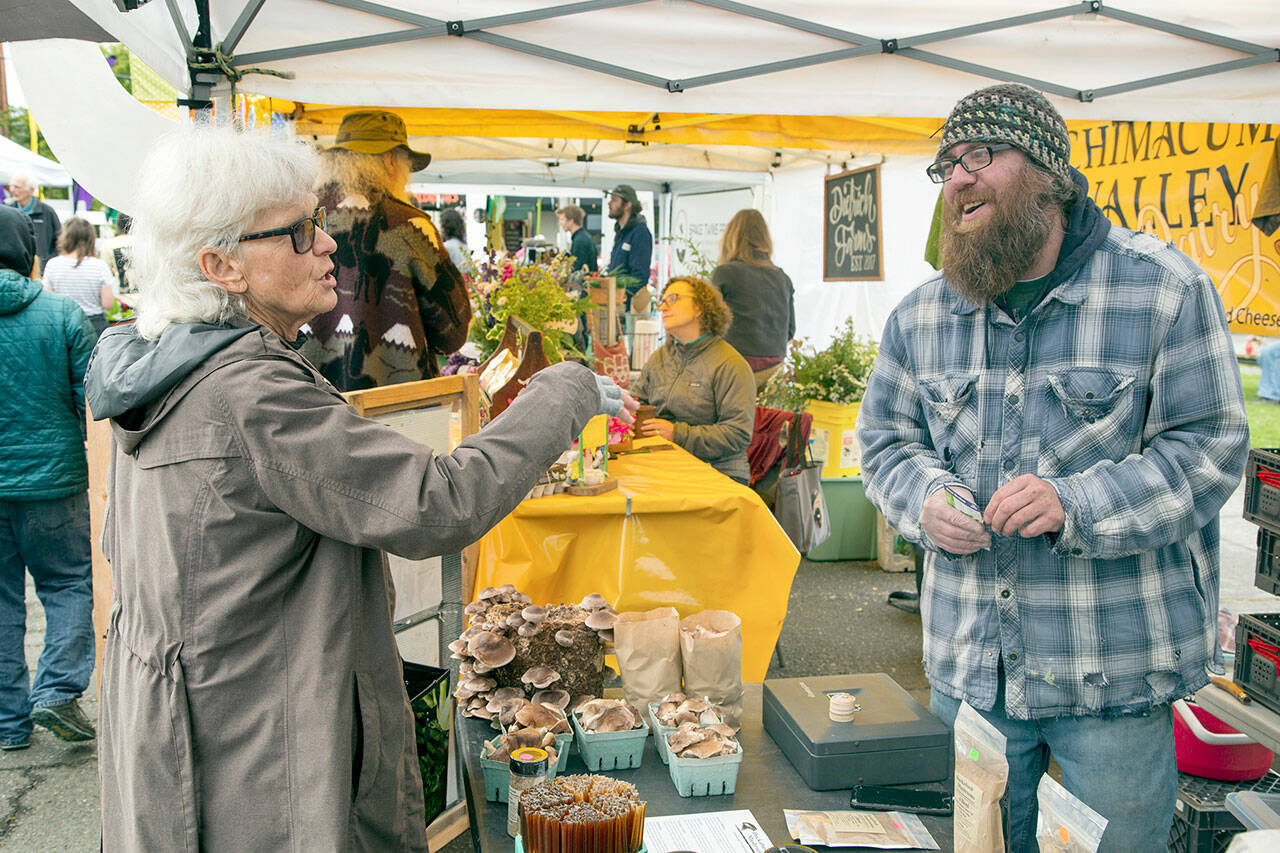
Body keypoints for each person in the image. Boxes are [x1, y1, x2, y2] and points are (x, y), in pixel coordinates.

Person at [84, 126, 635, 851]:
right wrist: (563, 390)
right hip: (255, 758)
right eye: (300, 232)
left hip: (197, 736)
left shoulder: (164, 365)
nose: (327, 245)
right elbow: (439, 501)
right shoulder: (246, 391)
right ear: (221, 265)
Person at [856, 83, 1249, 853]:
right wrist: (925, 497)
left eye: (979, 156)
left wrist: (1077, 502)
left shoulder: (1162, 290)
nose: (959, 178)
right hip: (973, 676)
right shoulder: (922, 315)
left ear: (1045, 174)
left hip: (1114, 680)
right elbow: (886, 443)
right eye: (946, 165)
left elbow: (1208, 446)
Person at [0, 205, 97, 752]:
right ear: (28, 252)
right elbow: (95, 400)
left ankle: (9, 723)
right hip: (54, 481)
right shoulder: (60, 314)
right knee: (66, 585)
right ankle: (57, 690)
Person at [298, 110, 471, 390]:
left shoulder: (297, 218)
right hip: (396, 408)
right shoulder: (411, 226)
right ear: (391, 161)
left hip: (306, 400)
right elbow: (452, 332)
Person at [633, 276, 754, 483]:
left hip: (719, 472)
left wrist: (677, 434)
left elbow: (737, 434)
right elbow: (638, 404)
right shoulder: (660, 358)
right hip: (667, 465)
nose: (663, 308)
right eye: (662, 302)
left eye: (674, 298)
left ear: (700, 307)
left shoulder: (729, 364)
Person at [711, 209, 795, 389]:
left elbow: (709, 323)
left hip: (736, 364)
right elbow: (790, 331)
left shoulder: (726, 273)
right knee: (768, 417)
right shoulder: (783, 278)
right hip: (775, 366)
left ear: (731, 237)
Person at [42, 217, 116, 341]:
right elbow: (107, 304)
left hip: (63, 323)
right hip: (94, 324)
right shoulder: (100, 266)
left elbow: (47, 301)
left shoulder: (52, 265)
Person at [5, 172, 61, 269]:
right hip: (14, 271)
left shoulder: (47, 212)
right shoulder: (7, 211)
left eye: (17, 187)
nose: (12, 190)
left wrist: (47, 263)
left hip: (42, 272)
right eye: (11, 186)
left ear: (31, 190)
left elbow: (60, 241)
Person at [605, 184, 652, 298]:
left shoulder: (640, 233)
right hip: (615, 304)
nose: (609, 204)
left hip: (627, 307)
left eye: (615, 201)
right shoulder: (621, 233)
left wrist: (623, 298)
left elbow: (639, 277)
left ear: (627, 205)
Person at [557, 203, 598, 274]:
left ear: (571, 221)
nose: (560, 223)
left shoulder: (580, 241)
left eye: (562, 219)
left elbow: (577, 270)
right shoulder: (582, 236)